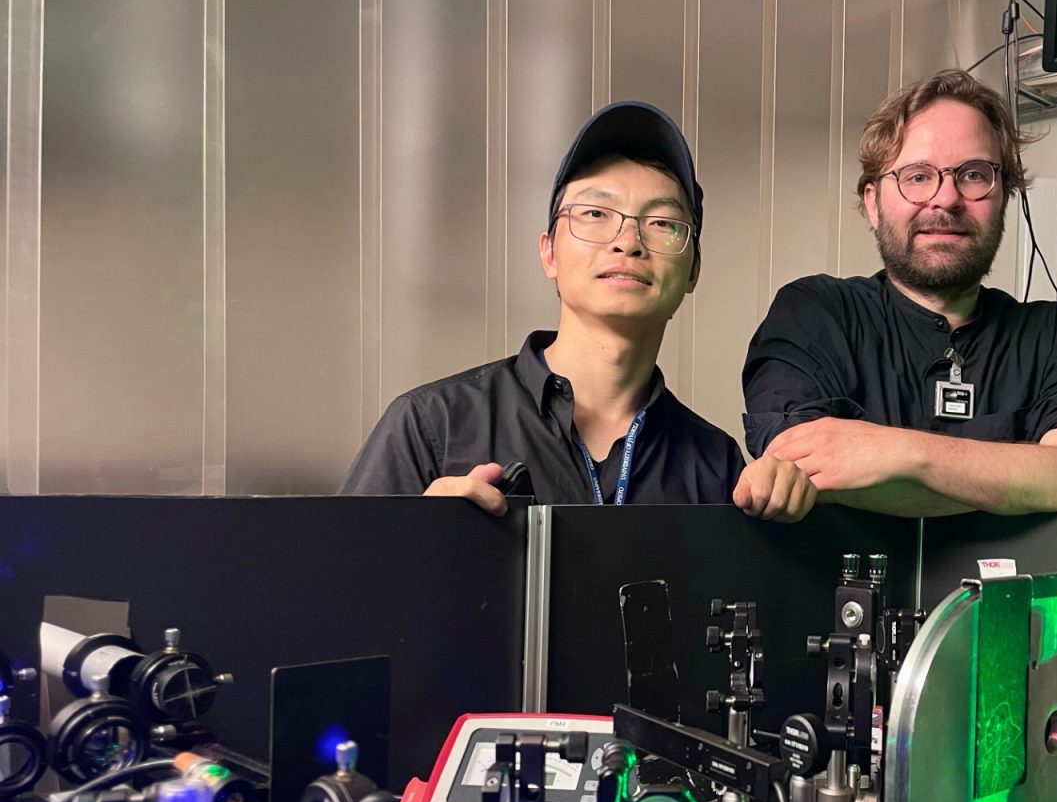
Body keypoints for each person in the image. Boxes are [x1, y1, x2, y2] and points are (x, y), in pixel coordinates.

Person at [340, 101, 815, 523]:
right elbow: (331, 586)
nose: (627, 241)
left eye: (662, 222)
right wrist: (414, 540)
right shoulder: (433, 426)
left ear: (693, 271)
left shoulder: (715, 466)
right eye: (595, 214)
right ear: (548, 252)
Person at [741, 70, 1057, 517]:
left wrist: (900, 453)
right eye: (918, 176)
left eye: (973, 174)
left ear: (1004, 197)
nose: (946, 199)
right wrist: (1028, 482)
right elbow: (805, 472)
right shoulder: (815, 315)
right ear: (873, 202)